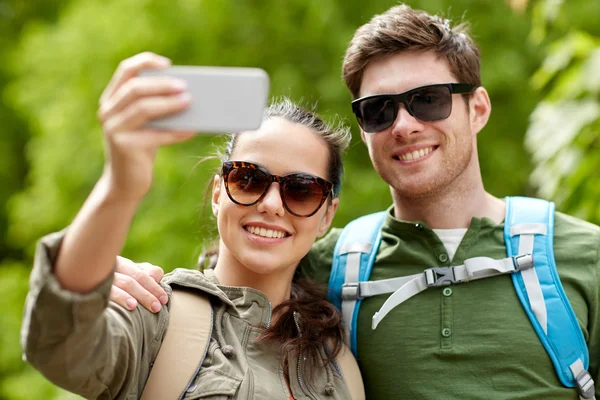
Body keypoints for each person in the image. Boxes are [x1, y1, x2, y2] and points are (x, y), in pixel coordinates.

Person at [112, 4, 600, 400]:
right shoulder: (327, 263)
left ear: (478, 108)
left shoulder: (581, 256)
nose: (405, 124)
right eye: (379, 110)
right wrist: (115, 281)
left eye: (429, 99)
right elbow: (230, 282)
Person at [20, 52, 366, 399]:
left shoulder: (342, 368)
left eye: (301, 190)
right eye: (248, 178)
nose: (271, 204)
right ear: (218, 193)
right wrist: (120, 185)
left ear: (327, 216)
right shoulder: (153, 314)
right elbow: (58, 345)